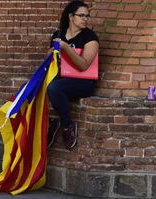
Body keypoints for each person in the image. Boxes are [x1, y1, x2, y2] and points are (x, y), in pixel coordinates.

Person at [47, 0, 99, 150]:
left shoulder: (90, 38)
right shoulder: (58, 34)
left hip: (83, 82)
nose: (85, 19)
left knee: (54, 88)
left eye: (87, 16)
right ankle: (48, 123)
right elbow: (51, 61)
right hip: (62, 77)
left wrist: (66, 47)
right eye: (81, 15)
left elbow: (83, 65)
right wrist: (51, 53)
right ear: (71, 16)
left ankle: (67, 125)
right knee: (32, 88)